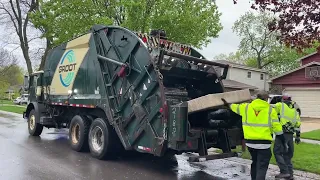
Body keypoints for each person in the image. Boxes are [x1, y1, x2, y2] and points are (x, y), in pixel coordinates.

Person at [221, 90, 287, 180]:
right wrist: (283, 141)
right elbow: (277, 128)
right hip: (264, 144)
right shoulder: (270, 110)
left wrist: (227, 103)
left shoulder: (246, 107)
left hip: (250, 143)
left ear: (257, 97)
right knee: (262, 166)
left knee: (255, 163)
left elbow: (233, 107)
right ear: (266, 99)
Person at [273, 95, 301, 179]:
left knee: (277, 152)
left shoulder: (280, 105)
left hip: (282, 134)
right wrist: (298, 136)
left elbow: (269, 108)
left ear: (282, 99)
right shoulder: (294, 110)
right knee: (287, 155)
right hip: (290, 135)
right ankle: (290, 175)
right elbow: (298, 124)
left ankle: (284, 171)